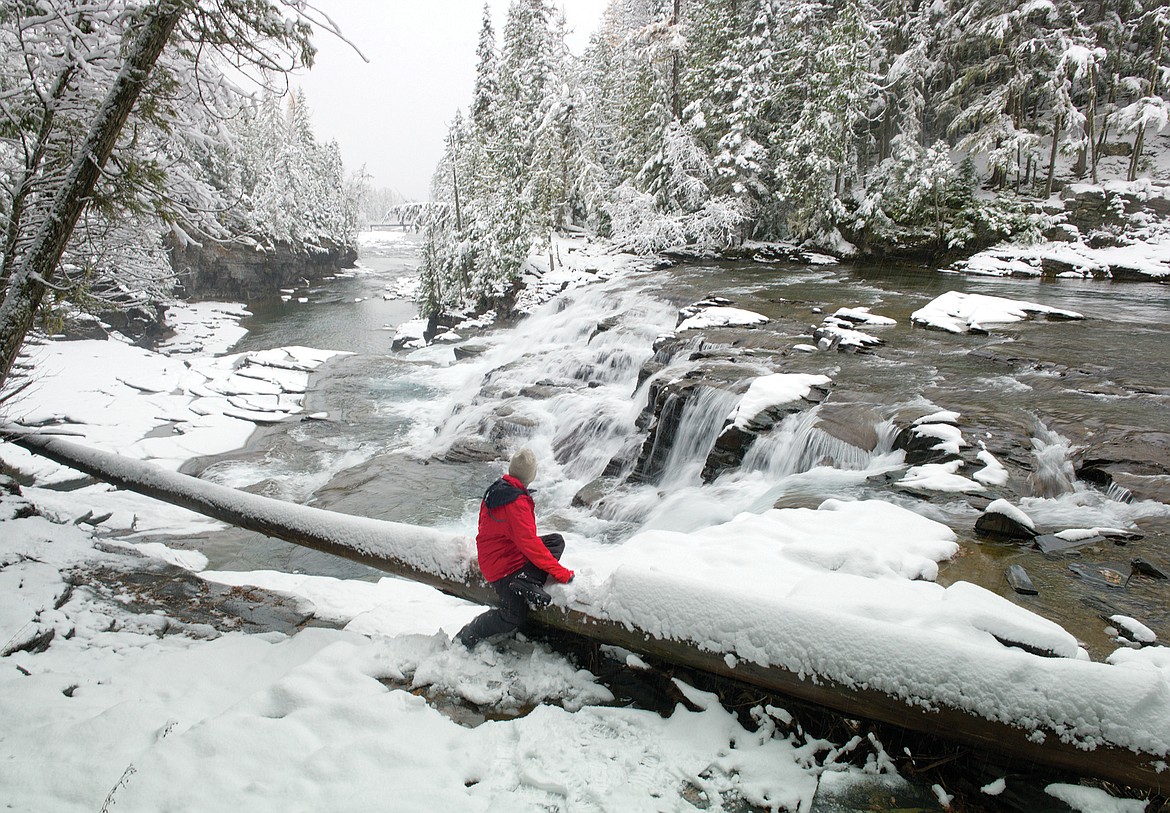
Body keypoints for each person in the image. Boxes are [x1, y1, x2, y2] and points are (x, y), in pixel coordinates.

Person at [456, 448, 574, 648]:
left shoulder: (498, 489)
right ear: (532, 475)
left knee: (555, 541)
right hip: (503, 569)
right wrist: (562, 574)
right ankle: (469, 634)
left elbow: (516, 538)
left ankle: (526, 579)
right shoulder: (515, 502)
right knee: (513, 615)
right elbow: (531, 546)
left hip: (503, 554)